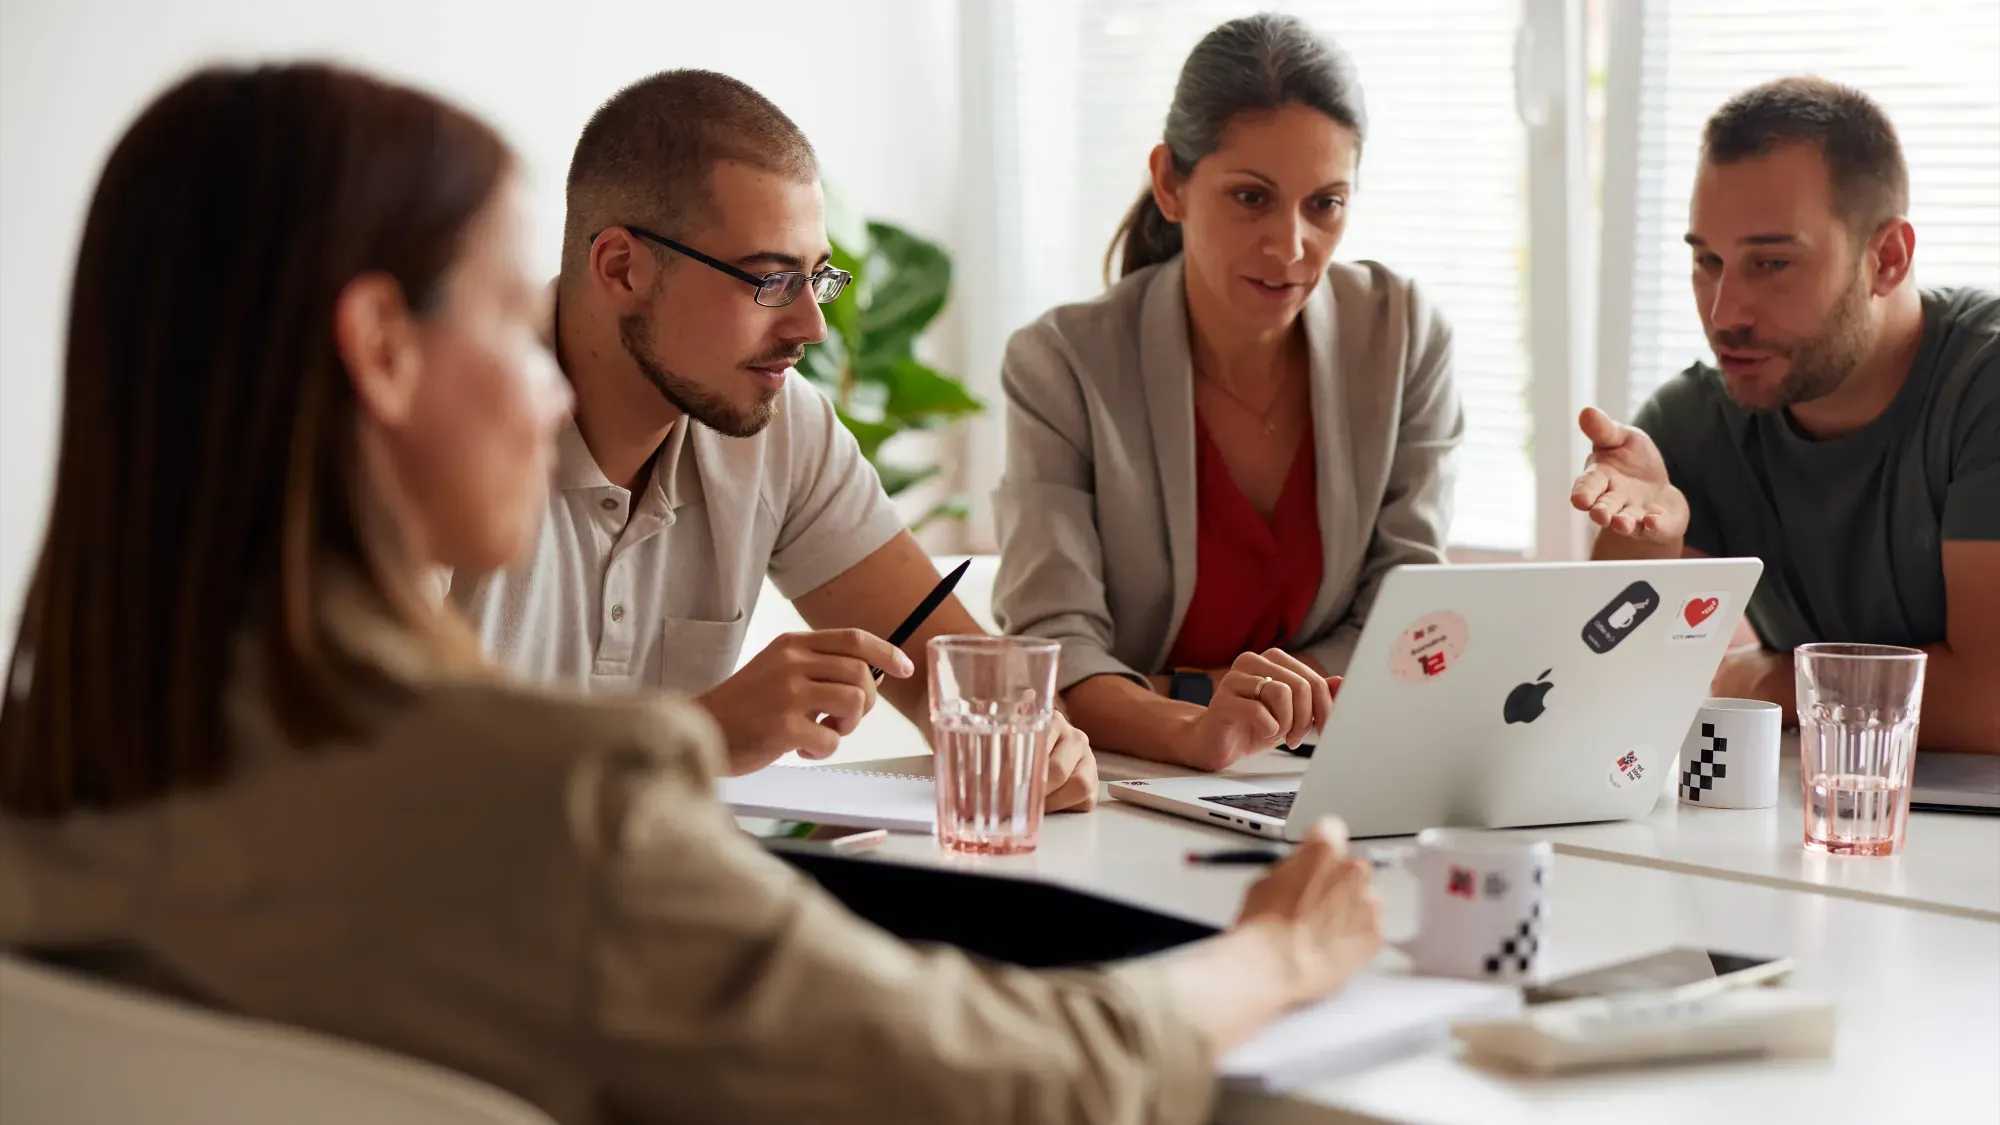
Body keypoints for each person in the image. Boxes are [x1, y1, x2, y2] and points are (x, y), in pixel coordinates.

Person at [0, 63, 1383, 1124]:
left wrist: (1149, 724)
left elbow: (955, 662)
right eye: (502, 312)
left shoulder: (67, 755)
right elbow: (1013, 1084)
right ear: (383, 350)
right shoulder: (554, 808)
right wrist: (1270, 961)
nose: (543, 374)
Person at [445, 70, 1099, 806]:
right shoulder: (425, 431)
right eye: (767, 282)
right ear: (622, 268)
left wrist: (1039, 735)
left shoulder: (779, 422)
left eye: (817, 280)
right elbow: (354, 789)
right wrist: (698, 734)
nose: (811, 329)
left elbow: (959, 675)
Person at [993, 14, 1465, 771]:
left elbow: (1404, 620)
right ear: (1170, 184)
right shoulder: (1061, 364)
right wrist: (1196, 715)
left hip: (1332, 766)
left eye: (1326, 204)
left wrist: (1173, 688)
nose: (1290, 247)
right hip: (1129, 775)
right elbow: (1054, 655)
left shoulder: (1402, 335)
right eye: (1251, 198)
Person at [1571, 77, 1999, 753]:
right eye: (1708, 261)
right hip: (1816, 823)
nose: (1723, 314)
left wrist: (1763, 679)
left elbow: (1990, 703)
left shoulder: (1985, 387)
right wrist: (1647, 538)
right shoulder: (1694, 420)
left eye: (1771, 262)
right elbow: (1610, 685)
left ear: (1886, 258)